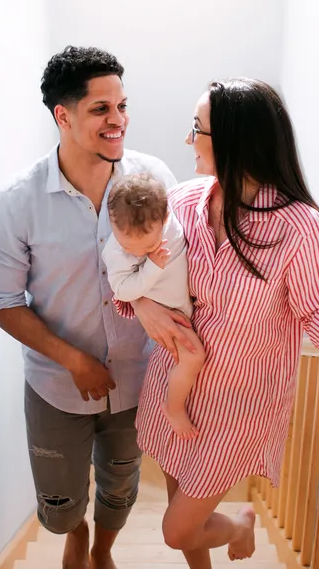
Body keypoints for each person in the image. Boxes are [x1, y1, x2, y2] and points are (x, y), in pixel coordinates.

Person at [116, 78, 319, 567]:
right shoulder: (185, 201)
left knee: (178, 530)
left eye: (197, 129)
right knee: (180, 497)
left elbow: (318, 301)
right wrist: (142, 306)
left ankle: (239, 524)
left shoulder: (296, 223)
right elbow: (137, 269)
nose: (188, 140)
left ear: (236, 138)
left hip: (240, 402)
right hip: (176, 382)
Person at [0, 46, 184, 569]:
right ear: (62, 116)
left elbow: (182, 261)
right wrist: (72, 359)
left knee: (121, 483)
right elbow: (1, 302)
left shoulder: (155, 178)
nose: (119, 121)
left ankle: (103, 550)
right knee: (61, 501)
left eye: (122, 105)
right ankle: (75, 534)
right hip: (55, 386)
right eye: (101, 110)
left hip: (138, 378)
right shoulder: (14, 203)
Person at [102, 172, 206, 440]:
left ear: (167, 218)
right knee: (194, 356)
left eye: (147, 245)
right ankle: (173, 408)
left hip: (185, 305)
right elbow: (123, 291)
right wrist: (151, 264)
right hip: (167, 314)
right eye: (128, 245)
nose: (136, 252)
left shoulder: (170, 223)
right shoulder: (116, 252)